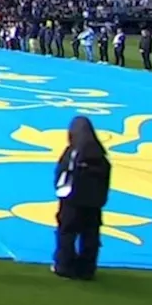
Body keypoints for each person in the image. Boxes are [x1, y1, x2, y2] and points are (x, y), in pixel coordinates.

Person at [53, 116, 112, 280]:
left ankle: (64, 266)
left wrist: (61, 192)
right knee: (90, 235)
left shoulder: (73, 153)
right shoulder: (100, 156)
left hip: (72, 201)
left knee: (67, 233)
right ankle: (87, 269)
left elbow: (62, 174)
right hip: (94, 204)